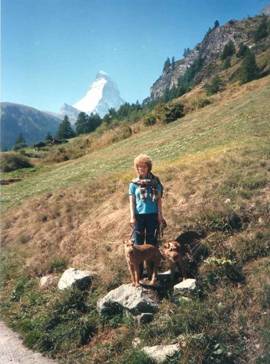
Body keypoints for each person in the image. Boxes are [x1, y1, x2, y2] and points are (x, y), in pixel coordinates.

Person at [129, 154, 166, 247]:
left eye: (144, 166)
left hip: (152, 215)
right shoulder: (133, 184)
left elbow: (158, 200)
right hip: (138, 217)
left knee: (151, 244)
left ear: (148, 167)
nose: (141, 169)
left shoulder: (155, 182)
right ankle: (139, 262)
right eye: (139, 167)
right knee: (138, 244)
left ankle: (151, 262)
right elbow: (132, 202)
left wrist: (160, 215)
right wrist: (132, 217)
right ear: (136, 168)